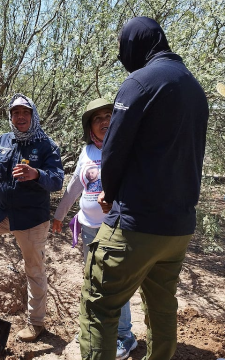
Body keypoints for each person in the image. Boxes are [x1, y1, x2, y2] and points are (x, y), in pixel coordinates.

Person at [79, 16, 209, 360]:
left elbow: (114, 149)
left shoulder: (139, 83)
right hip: (178, 229)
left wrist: (111, 190)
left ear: (136, 45)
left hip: (137, 224)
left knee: (98, 307)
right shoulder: (194, 88)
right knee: (163, 308)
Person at [0, 93, 64, 342]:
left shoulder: (46, 145)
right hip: (2, 212)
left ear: (32, 115)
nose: (20, 117)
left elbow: (57, 180)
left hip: (32, 219)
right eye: (15, 113)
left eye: (25, 112)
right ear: (10, 117)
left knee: (34, 270)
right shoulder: (2, 141)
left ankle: (36, 323)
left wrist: (36, 174)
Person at [52, 98, 137, 359]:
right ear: (90, 127)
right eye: (97, 118)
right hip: (88, 229)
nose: (104, 121)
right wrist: (59, 214)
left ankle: (124, 335)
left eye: (108, 115)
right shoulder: (87, 152)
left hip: (115, 229)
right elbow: (75, 186)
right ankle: (93, 329)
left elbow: (136, 187)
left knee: (114, 283)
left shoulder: (126, 148)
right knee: (93, 281)